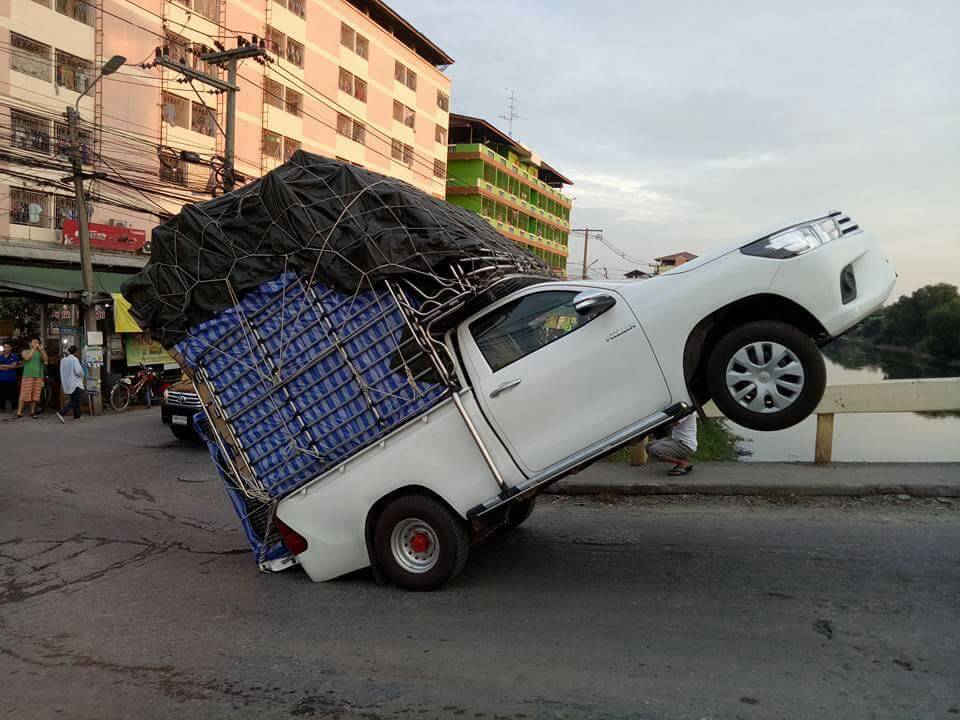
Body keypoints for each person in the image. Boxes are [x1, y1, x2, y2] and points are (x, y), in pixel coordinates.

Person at [14, 337, 47, 419]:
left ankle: (32, 412)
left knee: (35, 395)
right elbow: (27, 358)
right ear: (30, 344)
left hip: (38, 376)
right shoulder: (25, 351)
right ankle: (19, 412)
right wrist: (33, 349)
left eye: (37, 342)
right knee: (23, 394)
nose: (35, 343)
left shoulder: (41, 352)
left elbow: (46, 360)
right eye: (33, 342)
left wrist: (41, 350)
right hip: (27, 375)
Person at [56, 345, 85, 422]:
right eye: (78, 352)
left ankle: (77, 416)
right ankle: (61, 413)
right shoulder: (75, 360)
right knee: (75, 401)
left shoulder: (63, 360)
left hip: (67, 383)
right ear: (76, 352)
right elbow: (78, 371)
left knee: (75, 399)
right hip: (76, 383)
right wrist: (82, 375)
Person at [0, 341, 19, 414]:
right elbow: (11, 366)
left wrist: (2, 365)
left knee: (13, 394)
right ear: (3, 348)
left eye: (8, 347)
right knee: (1, 394)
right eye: (5, 347)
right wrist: (9, 367)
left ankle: (14, 408)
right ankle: (2, 408)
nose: (7, 348)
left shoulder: (14, 356)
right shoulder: (0, 356)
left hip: (11, 378)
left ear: (11, 348)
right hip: (1, 378)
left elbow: (14, 366)